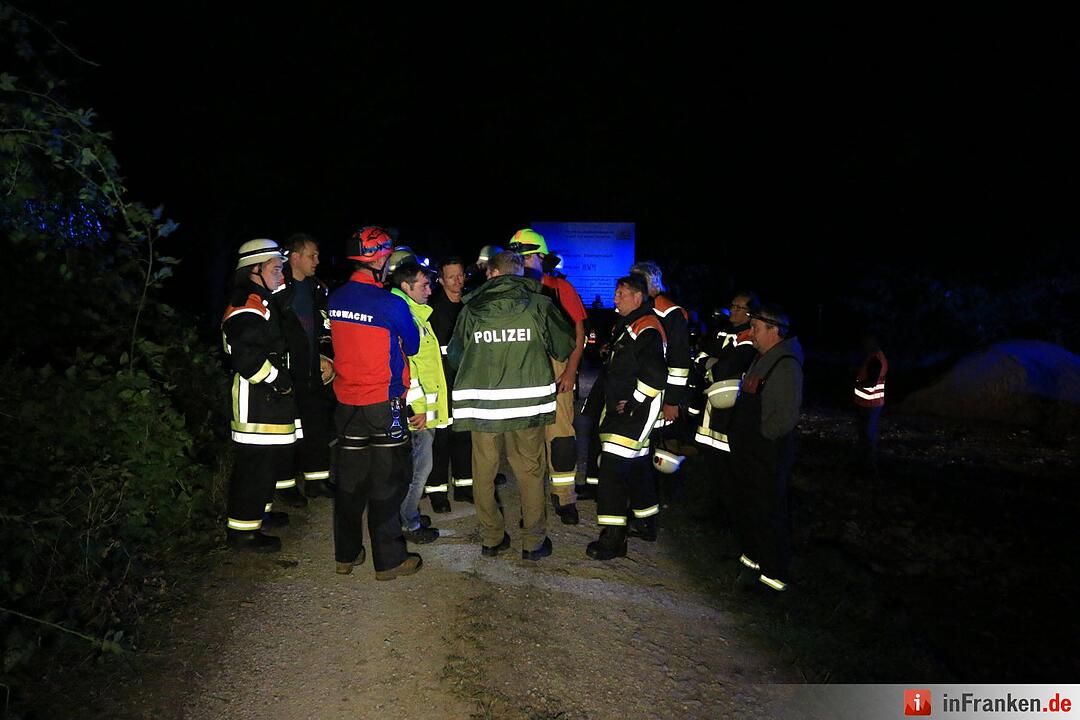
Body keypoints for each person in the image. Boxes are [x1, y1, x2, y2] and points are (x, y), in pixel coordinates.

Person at [447, 250, 574, 560]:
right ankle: (533, 544)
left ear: (491, 273)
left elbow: (455, 356)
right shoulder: (540, 304)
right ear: (520, 273)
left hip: (483, 408)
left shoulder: (472, 308)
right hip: (527, 407)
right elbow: (563, 346)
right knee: (530, 473)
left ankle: (491, 538)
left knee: (484, 472)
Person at [328, 226, 423, 580]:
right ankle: (390, 560)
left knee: (350, 484)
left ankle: (346, 555)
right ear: (381, 258)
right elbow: (411, 346)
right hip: (384, 405)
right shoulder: (390, 303)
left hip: (346, 404)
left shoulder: (336, 298)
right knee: (388, 482)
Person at [221, 239, 297, 552]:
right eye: (276, 268)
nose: (282, 274)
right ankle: (242, 533)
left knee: (266, 466)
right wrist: (278, 380)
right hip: (256, 402)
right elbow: (247, 357)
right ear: (255, 270)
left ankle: (258, 517)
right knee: (255, 468)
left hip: (267, 402)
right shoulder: (247, 303)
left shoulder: (262, 301)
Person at [586, 274, 668, 560]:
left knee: (611, 470)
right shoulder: (632, 324)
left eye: (621, 294)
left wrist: (634, 402)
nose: (614, 299)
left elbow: (656, 374)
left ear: (638, 297)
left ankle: (613, 538)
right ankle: (646, 522)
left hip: (633, 413)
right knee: (637, 466)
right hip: (627, 408)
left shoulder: (647, 327)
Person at [509, 228, 587, 525]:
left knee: (561, 438)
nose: (523, 263)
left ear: (542, 257)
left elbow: (579, 333)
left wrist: (570, 371)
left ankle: (564, 498)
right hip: (522, 370)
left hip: (556, 369)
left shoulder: (559, 289)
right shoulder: (511, 290)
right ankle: (532, 504)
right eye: (518, 258)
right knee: (526, 441)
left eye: (527, 257)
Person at [729, 304, 804, 592]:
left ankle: (773, 578)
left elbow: (783, 419)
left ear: (774, 330)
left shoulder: (784, 365)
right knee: (751, 510)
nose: (751, 333)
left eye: (756, 328)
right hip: (752, 454)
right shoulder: (764, 359)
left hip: (767, 456)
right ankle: (751, 564)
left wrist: (759, 438)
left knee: (768, 512)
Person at [692, 291, 759, 546]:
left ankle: (728, 519)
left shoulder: (748, 336)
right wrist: (710, 363)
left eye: (740, 307)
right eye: (732, 305)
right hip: (711, 408)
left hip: (731, 413)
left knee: (728, 470)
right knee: (712, 466)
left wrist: (711, 363)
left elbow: (731, 367)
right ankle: (712, 510)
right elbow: (701, 357)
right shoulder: (719, 332)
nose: (734, 310)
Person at [389, 261, 446, 544]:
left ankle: (406, 514)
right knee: (418, 471)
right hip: (416, 414)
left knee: (416, 469)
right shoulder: (406, 317)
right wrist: (419, 408)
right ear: (406, 287)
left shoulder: (415, 314)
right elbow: (406, 368)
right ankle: (409, 523)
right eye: (423, 285)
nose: (429, 289)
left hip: (420, 411)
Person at [278, 233, 335, 502]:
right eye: (312, 255)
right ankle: (286, 486)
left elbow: (326, 327)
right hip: (287, 372)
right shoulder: (278, 288)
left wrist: (327, 357)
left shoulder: (317, 289)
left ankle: (317, 481)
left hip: (314, 371)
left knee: (317, 426)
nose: (317, 260)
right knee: (287, 431)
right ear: (295, 256)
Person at [425, 256, 475, 511]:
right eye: (452, 276)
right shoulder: (432, 309)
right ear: (441, 280)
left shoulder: (470, 305)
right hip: (440, 383)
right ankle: (437, 493)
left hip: (466, 382)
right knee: (440, 439)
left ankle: (465, 487)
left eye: (460, 275)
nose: (458, 280)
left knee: (464, 435)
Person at [853, 334, 887, 472]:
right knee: (866, 434)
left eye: (867, 342)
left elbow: (871, 380)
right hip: (869, 402)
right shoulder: (876, 357)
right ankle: (866, 463)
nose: (864, 345)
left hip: (869, 403)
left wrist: (856, 382)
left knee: (867, 435)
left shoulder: (875, 359)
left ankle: (869, 465)